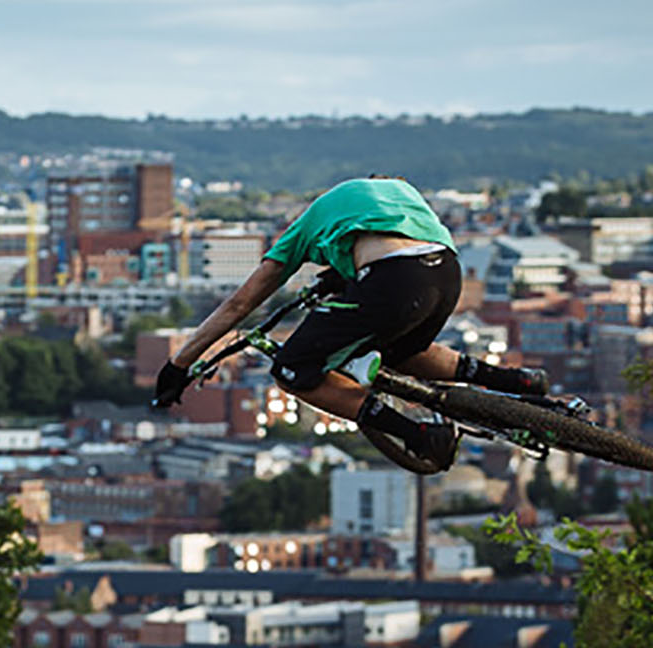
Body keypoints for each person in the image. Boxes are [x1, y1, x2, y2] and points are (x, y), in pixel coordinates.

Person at [153, 177, 546, 470]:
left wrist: (178, 366)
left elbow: (239, 305)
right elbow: (392, 238)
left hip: (394, 280)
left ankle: (420, 435)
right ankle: (520, 382)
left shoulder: (303, 228)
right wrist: (346, 274)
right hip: (446, 273)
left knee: (292, 370)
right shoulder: (397, 189)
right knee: (406, 351)